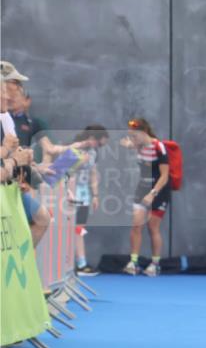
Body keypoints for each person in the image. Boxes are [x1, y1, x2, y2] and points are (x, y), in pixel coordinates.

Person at [0, 61, 51, 246]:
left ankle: (22, 265)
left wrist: (25, 172)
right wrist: (13, 158)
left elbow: (14, 151)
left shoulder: (6, 118)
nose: (18, 90)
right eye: (16, 84)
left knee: (42, 218)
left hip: (8, 185)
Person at [51, 125, 109, 275]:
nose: (99, 146)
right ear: (91, 138)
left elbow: (94, 173)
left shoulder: (94, 152)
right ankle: (64, 264)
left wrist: (95, 195)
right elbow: (61, 170)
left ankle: (81, 264)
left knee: (79, 229)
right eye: (99, 143)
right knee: (66, 229)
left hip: (84, 193)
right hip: (69, 192)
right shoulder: (73, 147)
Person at [120, 117, 170, 276]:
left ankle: (155, 264)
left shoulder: (159, 147)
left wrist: (152, 194)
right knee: (136, 225)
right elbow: (131, 146)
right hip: (142, 187)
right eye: (131, 136)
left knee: (152, 227)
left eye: (134, 135)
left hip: (159, 190)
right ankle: (133, 263)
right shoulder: (138, 145)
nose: (132, 139)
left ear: (143, 133)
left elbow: (165, 176)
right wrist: (129, 145)